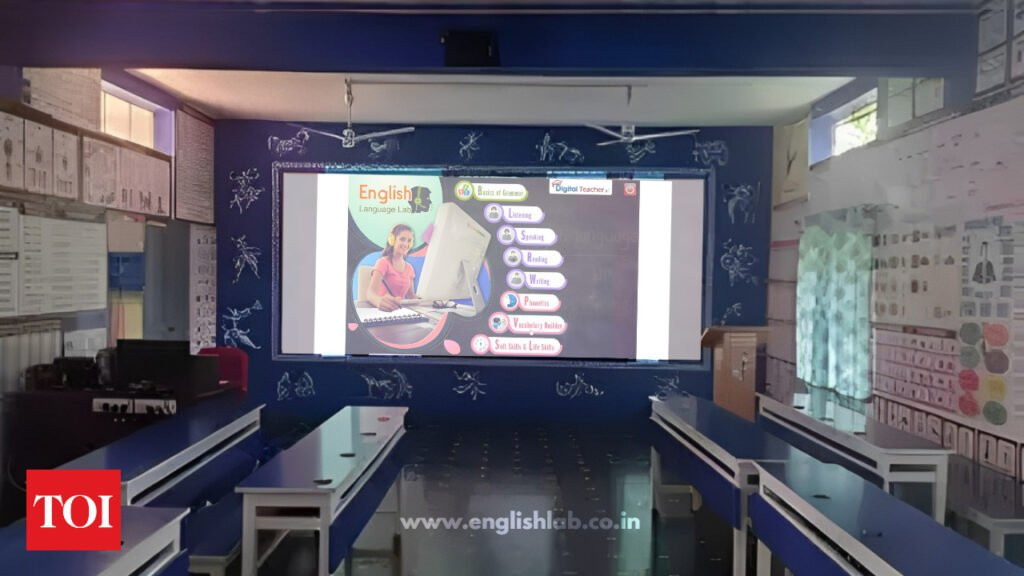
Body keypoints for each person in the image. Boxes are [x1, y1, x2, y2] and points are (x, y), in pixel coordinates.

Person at [368, 224, 417, 311]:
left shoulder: (409, 268)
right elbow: (371, 294)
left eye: (409, 240)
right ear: (392, 240)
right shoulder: (383, 263)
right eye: (402, 239)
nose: (406, 244)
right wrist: (378, 301)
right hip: (383, 312)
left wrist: (427, 302)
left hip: (400, 312)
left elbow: (411, 296)